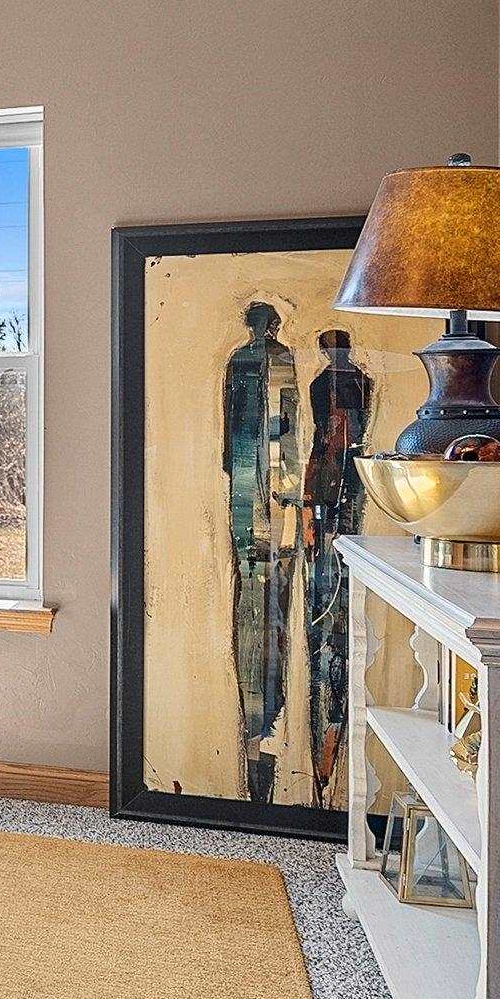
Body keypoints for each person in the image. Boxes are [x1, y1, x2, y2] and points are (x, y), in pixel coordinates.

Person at [222, 301, 300, 806]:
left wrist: (286, 481)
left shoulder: (281, 358)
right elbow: (232, 426)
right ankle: (256, 735)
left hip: (267, 485)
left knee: (270, 594)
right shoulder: (240, 361)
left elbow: (288, 423)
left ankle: (265, 733)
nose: (259, 330)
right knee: (251, 589)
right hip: (249, 484)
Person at [300, 329, 375, 810]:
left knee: (340, 596)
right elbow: (322, 437)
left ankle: (333, 745)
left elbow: (348, 436)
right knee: (322, 599)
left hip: (346, 485)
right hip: (325, 484)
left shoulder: (359, 382)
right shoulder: (319, 385)